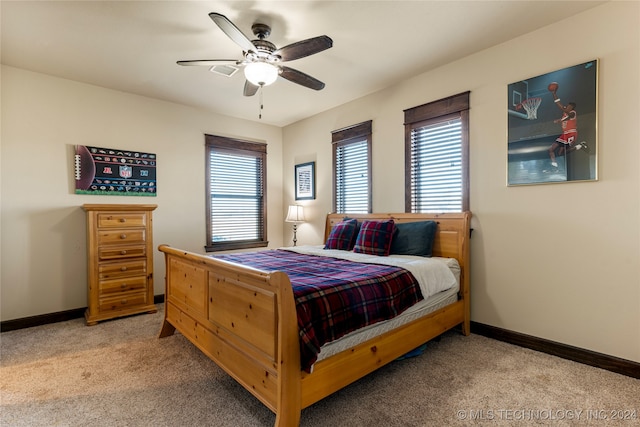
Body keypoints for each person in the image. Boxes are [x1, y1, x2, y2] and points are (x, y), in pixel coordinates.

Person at [547, 89, 587, 168]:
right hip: (565, 134)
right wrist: (554, 94)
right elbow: (559, 104)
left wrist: (560, 120)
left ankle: (579, 146)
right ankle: (554, 164)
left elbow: (569, 117)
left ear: (572, 108)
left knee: (563, 152)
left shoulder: (573, 113)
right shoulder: (565, 111)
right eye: (567, 106)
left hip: (571, 133)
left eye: (569, 107)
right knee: (552, 150)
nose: (567, 107)